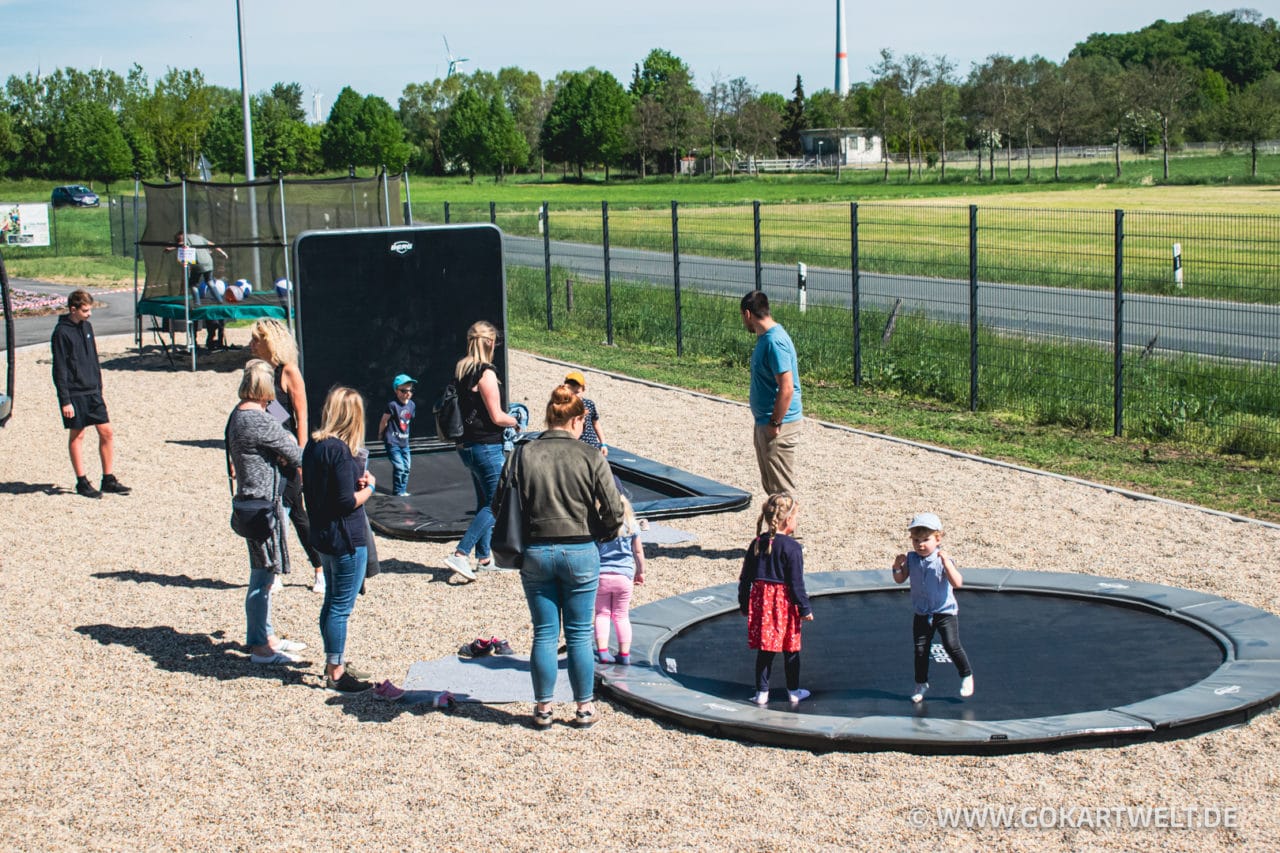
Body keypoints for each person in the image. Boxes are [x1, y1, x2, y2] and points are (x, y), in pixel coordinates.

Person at [513, 385, 624, 729]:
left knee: (544, 633)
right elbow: (615, 509)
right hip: (580, 549)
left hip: (535, 549)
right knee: (578, 634)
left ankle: (543, 707)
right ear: (578, 420)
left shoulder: (524, 453)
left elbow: (501, 503)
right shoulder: (590, 456)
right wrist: (601, 533)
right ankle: (583, 707)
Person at [226, 359, 307, 665]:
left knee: (265, 573)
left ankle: (267, 635)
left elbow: (284, 424)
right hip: (263, 504)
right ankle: (260, 646)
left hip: (252, 500)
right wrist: (286, 448)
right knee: (262, 576)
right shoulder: (256, 421)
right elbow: (292, 449)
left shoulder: (242, 413)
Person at [302, 386, 378, 693]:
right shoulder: (342, 452)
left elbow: (327, 489)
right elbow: (346, 502)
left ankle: (335, 661)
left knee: (331, 600)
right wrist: (370, 487)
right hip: (346, 537)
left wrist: (353, 482)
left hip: (323, 535)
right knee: (340, 608)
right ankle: (335, 671)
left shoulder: (315, 445)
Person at [249, 319, 325, 593]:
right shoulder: (259, 372)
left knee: (296, 512)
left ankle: (319, 568)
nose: (252, 345)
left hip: (288, 450)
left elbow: (300, 416)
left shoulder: (288, 371)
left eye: (257, 340)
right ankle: (274, 569)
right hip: (265, 452)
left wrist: (300, 455)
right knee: (270, 511)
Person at [443, 321, 521, 581]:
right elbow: (497, 416)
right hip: (487, 446)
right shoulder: (486, 373)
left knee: (483, 501)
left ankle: (484, 557)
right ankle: (461, 553)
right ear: (489, 343)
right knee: (495, 504)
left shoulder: (462, 369)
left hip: (467, 445)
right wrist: (516, 420)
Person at [50, 289, 130, 499]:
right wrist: (65, 400)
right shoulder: (61, 333)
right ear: (73, 309)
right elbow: (59, 368)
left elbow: (93, 358)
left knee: (106, 432)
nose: (89, 314)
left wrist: (98, 385)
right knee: (78, 435)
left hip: (93, 390)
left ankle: (108, 478)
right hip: (75, 392)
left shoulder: (87, 327)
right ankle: (81, 481)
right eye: (85, 310)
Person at [737, 492, 812, 707]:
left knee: (766, 649)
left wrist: (744, 603)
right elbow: (797, 584)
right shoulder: (792, 548)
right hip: (784, 605)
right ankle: (793, 691)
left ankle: (762, 692)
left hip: (763, 604)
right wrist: (805, 609)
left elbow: (746, 578)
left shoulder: (757, 543)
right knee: (791, 649)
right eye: (796, 517)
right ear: (788, 520)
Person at [891, 512, 974, 703]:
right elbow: (899, 579)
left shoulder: (942, 559)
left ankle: (966, 675)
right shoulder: (911, 558)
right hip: (921, 612)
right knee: (920, 650)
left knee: (951, 645)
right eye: (916, 540)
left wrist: (947, 564)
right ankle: (921, 683)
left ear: (938, 539)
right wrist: (896, 566)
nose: (920, 544)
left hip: (944, 611)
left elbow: (957, 583)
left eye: (925, 540)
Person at [740, 290, 802, 498]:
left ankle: (785, 530)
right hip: (765, 422)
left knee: (782, 492)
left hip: (777, 425)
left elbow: (787, 387)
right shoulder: (766, 338)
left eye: (743, 317)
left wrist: (775, 423)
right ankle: (776, 529)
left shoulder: (775, 342)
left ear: (748, 314)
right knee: (773, 490)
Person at [593, 495, 645, 664]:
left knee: (602, 614)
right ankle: (624, 654)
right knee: (621, 615)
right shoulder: (631, 526)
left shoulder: (598, 527)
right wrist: (641, 572)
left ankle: (602, 651)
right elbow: (638, 552)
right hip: (624, 576)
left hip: (602, 575)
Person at [168, 231, 229, 349]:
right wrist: (222, 251)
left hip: (198, 264)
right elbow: (211, 244)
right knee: (210, 281)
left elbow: (181, 244)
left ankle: (197, 303)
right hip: (209, 262)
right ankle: (219, 300)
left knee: (193, 284)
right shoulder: (198, 237)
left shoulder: (186, 239)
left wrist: (170, 248)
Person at [378, 374, 416, 497]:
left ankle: (402, 490)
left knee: (407, 467)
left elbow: (407, 422)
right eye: (404, 390)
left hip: (404, 443)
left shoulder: (412, 405)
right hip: (392, 442)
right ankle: (398, 491)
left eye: (410, 390)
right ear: (396, 390)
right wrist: (381, 434)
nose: (408, 393)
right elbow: (384, 421)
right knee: (400, 467)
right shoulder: (392, 405)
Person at [564, 370, 607, 456]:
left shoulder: (589, 404)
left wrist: (603, 443)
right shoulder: (564, 406)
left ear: (583, 390)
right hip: (573, 446)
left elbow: (596, 423)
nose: (574, 395)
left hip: (591, 445)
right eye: (570, 392)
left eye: (577, 392)